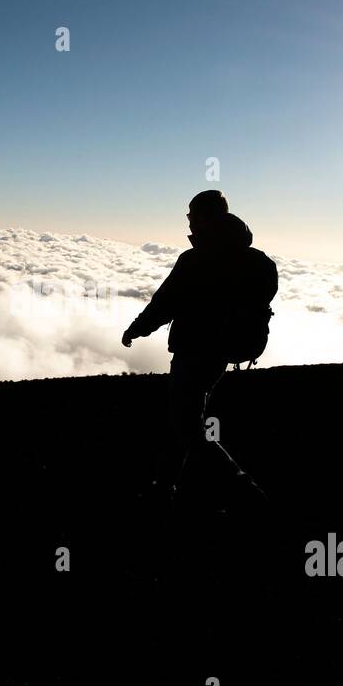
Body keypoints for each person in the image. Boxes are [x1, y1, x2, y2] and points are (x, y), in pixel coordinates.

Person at [122, 190, 279, 504]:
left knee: (189, 428)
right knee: (183, 418)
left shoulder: (196, 259)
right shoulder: (257, 261)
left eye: (192, 214)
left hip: (194, 351)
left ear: (205, 217)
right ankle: (164, 485)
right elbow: (263, 298)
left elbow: (164, 303)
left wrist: (136, 329)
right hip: (222, 353)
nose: (189, 221)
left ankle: (245, 494)